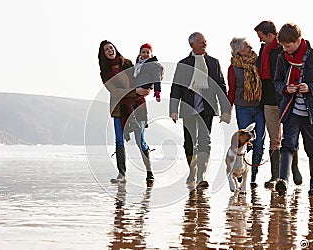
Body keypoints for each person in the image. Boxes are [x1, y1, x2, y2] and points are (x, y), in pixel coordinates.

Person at [273, 23, 313, 196]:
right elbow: (277, 81)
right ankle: (283, 180)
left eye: (288, 45)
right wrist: (285, 88)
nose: (285, 49)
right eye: (283, 46)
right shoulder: (282, 58)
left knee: (312, 148)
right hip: (291, 110)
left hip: (311, 112)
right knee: (287, 145)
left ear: (298, 41)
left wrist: (310, 87)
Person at [169, 32, 231, 188]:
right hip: (188, 107)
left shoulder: (213, 63)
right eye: (201, 42)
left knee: (205, 141)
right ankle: (192, 170)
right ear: (192, 45)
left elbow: (221, 88)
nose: (204, 44)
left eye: (205, 41)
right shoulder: (183, 63)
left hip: (207, 108)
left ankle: (201, 175)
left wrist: (226, 110)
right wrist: (173, 109)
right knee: (189, 142)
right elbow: (176, 87)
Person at [98, 40, 155, 186]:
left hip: (137, 106)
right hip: (119, 109)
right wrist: (135, 91)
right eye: (106, 49)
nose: (110, 50)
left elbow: (142, 78)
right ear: (103, 54)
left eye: (111, 47)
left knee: (140, 140)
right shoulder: (105, 72)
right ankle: (121, 174)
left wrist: (149, 85)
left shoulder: (128, 63)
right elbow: (115, 92)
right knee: (118, 140)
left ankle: (149, 172)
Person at [254, 21, 303, 188]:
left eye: (261, 36)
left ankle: (294, 169)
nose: (260, 40)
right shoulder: (263, 50)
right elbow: (260, 72)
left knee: (289, 136)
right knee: (274, 138)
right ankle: (275, 176)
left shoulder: (283, 49)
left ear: (270, 35)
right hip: (268, 99)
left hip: (286, 98)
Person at [227, 37, 265, 188]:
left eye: (250, 46)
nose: (250, 49)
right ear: (238, 51)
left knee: (259, 142)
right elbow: (232, 89)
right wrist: (227, 109)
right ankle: (242, 172)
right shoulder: (233, 67)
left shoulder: (258, 62)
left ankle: (253, 176)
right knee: (245, 142)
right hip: (243, 108)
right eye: (247, 47)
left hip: (259, 106)